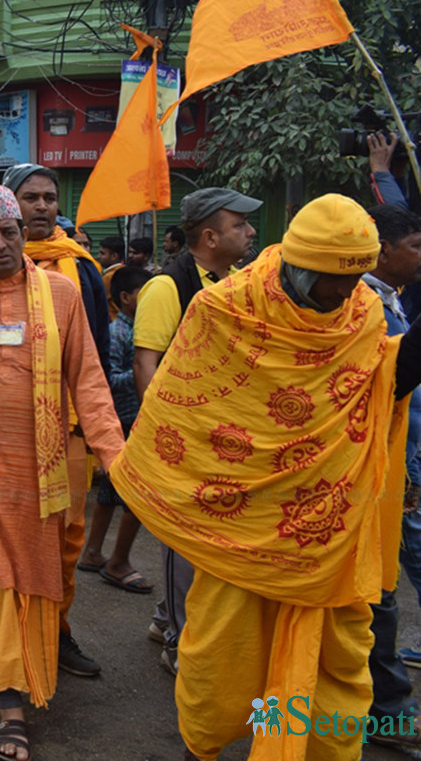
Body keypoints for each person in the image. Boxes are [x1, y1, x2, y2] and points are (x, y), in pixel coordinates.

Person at [113, 193, 421, 761]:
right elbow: (186, 408)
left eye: (354, 280)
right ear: (299, 264)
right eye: (331, 279)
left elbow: (380, 390)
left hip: (326, 540)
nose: (342, 293)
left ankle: (286, 744)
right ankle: (202, 747)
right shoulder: (226, 308)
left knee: (329, 667)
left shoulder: (363, 313)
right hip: (241, 532)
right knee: (223, 662)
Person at [0, 184, 124, 759]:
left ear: (25, 233)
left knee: (32, 578)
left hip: (41, 467)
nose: (2, 244)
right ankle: (11, 703)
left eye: (11, 232)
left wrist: (114, 455)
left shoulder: (62, 294)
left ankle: (3, 667)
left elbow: (89, 380)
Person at [132, 186, 262, 675]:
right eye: (239, 226)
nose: (249, 233)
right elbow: (147, 363)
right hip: (186, 443)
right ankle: (177, 638)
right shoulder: (167, 287)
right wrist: (170, 438)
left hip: (224, 439)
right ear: (209, 236)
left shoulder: (236, 284)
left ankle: (166, 615)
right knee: (182, 543)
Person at [360, 204, 421, 754]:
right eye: (416, 246)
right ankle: (390, 711)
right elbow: (391, 383)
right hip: (368, 474)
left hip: (401, 465)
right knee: (380, 596)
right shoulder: (361, 306)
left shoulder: (390, 299)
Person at [79, 265, 152, 593]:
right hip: (123, 420)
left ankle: (92, 552)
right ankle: (117, 561)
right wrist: (145, 368)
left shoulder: (142, 328)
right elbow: (107, 379)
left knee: (110, 491)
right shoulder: (119, 333)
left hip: (129, 419)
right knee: (136, 494)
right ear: (124, 298)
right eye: (143, 293)